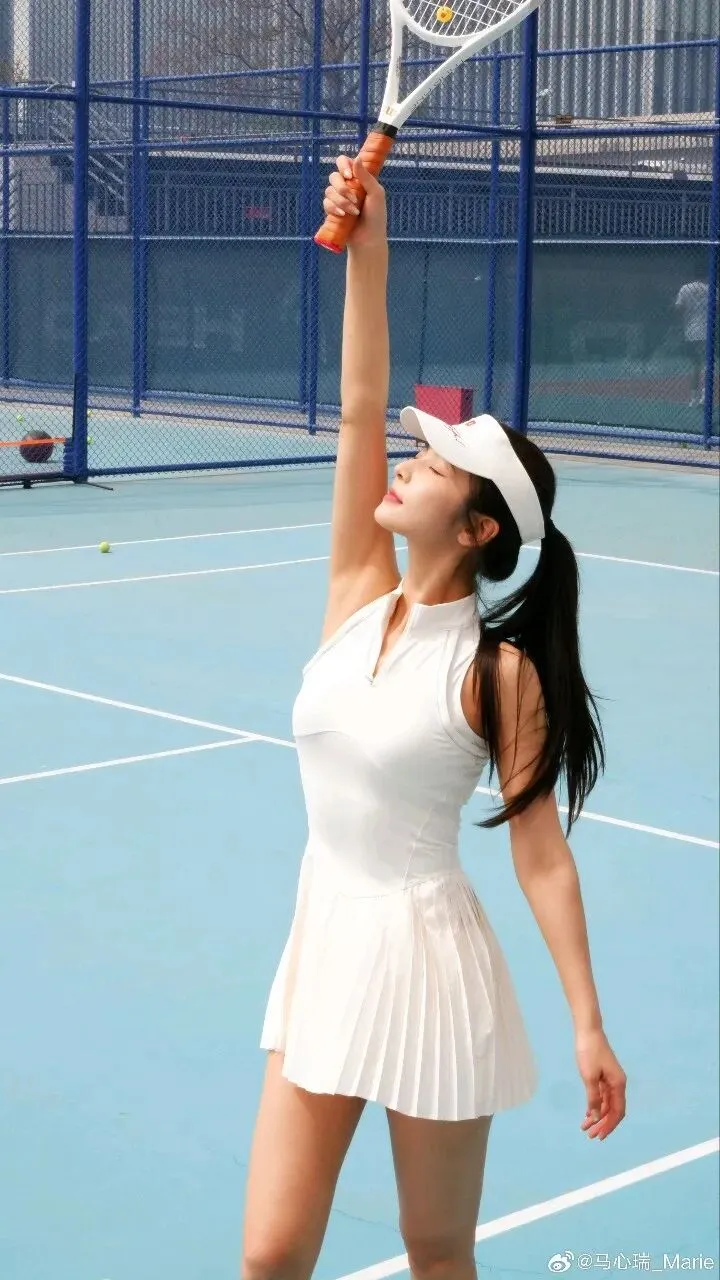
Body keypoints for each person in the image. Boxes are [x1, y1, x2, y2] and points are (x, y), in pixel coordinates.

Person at [241, 156, 627, 1280]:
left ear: (478, 529)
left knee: (437, 1251)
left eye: (435, 463)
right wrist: (370, 248)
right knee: (269, 1254)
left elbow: (540, 853)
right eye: (418, 451)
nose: (408, 463)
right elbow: (360, 403)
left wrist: (588, 1022)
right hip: (324, 944)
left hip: (429, 963)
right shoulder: (357, 588)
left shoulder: (500, 675)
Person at [674, 279, 709, 406]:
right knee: (707, 364)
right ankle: (705, 396)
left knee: (696, 364)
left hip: (691, 330)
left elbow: (679, 308)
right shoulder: (710, 289)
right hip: (707, 330)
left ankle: (694, 398)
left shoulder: (685, 288)